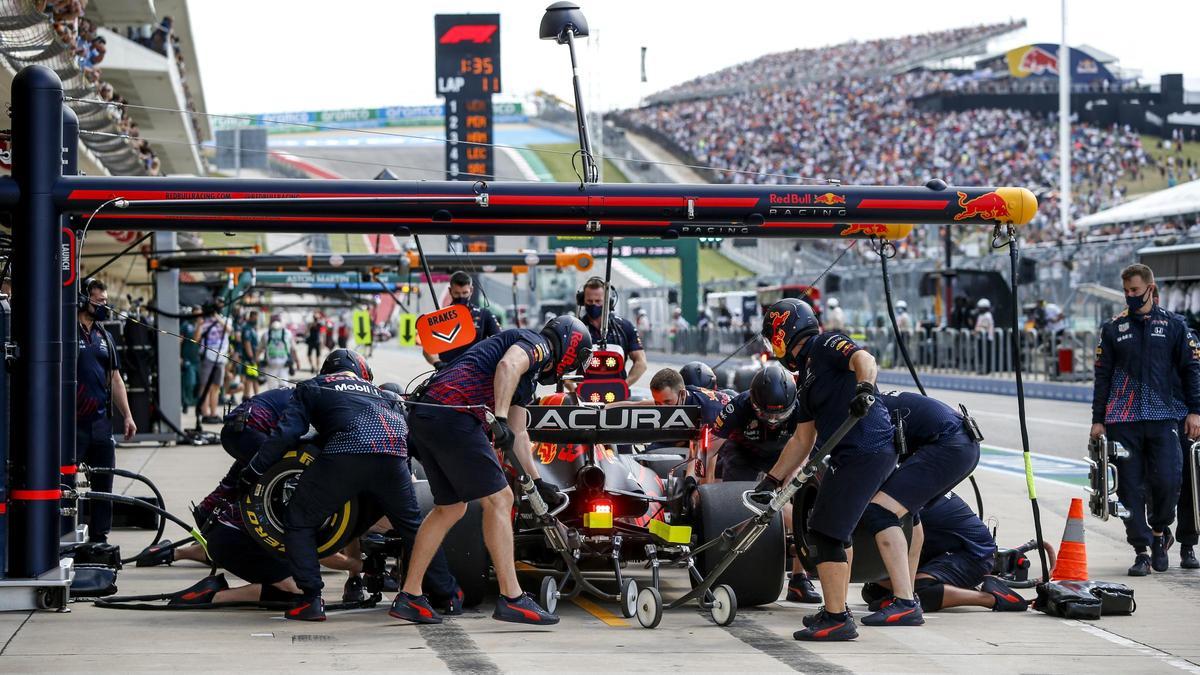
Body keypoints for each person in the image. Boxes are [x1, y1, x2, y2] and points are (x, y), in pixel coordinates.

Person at [397, 316, 593, 626]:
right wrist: (498, 417)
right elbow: (507, 366)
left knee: (450, 508)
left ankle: (409, 595)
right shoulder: (536, 344)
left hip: (428, 416)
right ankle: (512, 598)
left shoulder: (526, 379)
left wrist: (538, 483)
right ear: (570, 347)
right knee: (500, 500)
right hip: (454, 414)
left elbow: (517, 434)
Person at [239, 349, 461, 621]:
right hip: (393, 456)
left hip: (347, 453)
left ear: (325, 370)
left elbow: (287, 433)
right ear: (360, 370)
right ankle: (447, 596)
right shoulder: (384, 394)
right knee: (415, 529)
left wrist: (254, 469)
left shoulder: (313, 386)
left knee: (298, 520)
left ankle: (310, 600)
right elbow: (412, 438)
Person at [756, 298, 898, 641]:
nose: (773, 346)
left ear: (784, 330)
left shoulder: (825, 343)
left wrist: (864, 388)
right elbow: (802, 440)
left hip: (867, 447)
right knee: (825, 527)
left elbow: (864, 359)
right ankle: (837, 609)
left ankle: (837, 619)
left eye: (773, 337)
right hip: (848, 455)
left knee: (826, 532)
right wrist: (772, 480)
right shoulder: (804, 378)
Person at [1091, 264, 1200, 576]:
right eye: (1126, 291)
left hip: (1165, 416)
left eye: (1135, 291)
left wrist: (1195, 410)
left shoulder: (1175, 326)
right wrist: (1098, 419)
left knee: (1168, 481)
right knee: (1129, 490)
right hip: (1122, 419)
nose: (1130, 296)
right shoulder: (1113, 329)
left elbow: (1192, 372)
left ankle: (1159, 532)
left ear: (1151, 289)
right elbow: (1102, 376)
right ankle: (1141, 550)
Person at [863, 391, 982, 621]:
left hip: (950, 444)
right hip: (962, 443)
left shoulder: (860, 412)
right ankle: (907, 597)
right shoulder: (871, 401)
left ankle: (905, 601)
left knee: (880, 511)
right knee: (909, 513)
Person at [710, 365, 821, 604]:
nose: (772, 420)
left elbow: (805, 449)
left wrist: (788, 485)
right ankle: (734, 567)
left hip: (785, 455)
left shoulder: (804, 408)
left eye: (778, 415)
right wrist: (704, 487)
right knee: (737, 507)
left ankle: (799, 579)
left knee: (802, 512)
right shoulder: (737, 407)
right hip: (743, 454)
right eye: (765, 414)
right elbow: (709, 447)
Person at [860, 492, 1027, 613]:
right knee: (874, 591)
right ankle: (955, 586)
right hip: (940, 549)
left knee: (913, 593)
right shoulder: (898, 481)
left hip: (972, 555)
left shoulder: (892, 495)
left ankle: (991, 598)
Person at [76, 278, 137, 544]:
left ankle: (99, 539)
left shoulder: (106, 336)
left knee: (104, 482)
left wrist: (128, 415)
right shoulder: (64, 330)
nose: (103, 305)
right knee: (64, 484)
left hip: (100, 422)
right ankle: (61, 534)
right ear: (82, 299)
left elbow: (115, 379)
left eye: (104, 300)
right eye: (98, 300)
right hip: (70, 423)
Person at [423, 271, 501, 369]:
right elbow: (427, 349)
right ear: (450, 291)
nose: (461, 297)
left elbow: (499, 341)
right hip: (447, 370)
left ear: (471, 290)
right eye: (457, 293)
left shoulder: (484, 315)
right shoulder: (439, 317)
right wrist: (437, 363)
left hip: (478, 369)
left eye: (465, 293)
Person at [577, 277, 647, 386]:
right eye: (589, 301)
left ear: (608, 302)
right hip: (584, 392)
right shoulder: (576, 329)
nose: (594, 304)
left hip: (616, 394)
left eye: (598, 301)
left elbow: (641, 363)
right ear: (582, 301)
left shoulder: (624, 327)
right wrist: (574, 391)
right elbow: (561, 367)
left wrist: (623, 386)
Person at [194, 302, 230, 424]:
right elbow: (196, 339)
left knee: (216, 386)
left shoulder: (224, 320)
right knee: (205, 386)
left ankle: (214, 413)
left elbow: (230, 330)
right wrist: (199, 325)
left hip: (221, 357)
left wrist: (217, 317)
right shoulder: (204, 322)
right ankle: (205, 413)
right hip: (208, 357)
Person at [259, 318, 297, 388]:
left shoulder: (266, 334)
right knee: (284, 387)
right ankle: (283, 398)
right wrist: (297, 361)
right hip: (283, 364)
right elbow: (293, 349)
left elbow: (259, 349)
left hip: (270, 364)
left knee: (271, 387)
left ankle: (272, 398)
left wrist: (256, 361)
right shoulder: (287, 333)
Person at [238, 310, 261, 401]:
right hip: (249, 358)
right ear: (250, 317)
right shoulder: (247, 328)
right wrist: (251, 357)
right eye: (255, 318)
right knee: (250, 378)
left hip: (253, 358)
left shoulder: (252, 327)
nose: (256, 319)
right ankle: (248, 396)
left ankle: (255, 396)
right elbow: (247, 343)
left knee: (253, 378)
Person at [973, 298, 995, 374]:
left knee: (985, 355)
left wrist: (977, 330)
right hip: (981, 338)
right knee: (981, 355)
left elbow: (984, 326)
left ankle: (986, 370)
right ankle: (982, 368)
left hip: (986, 339)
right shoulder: (981, 315)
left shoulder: (987, 315)